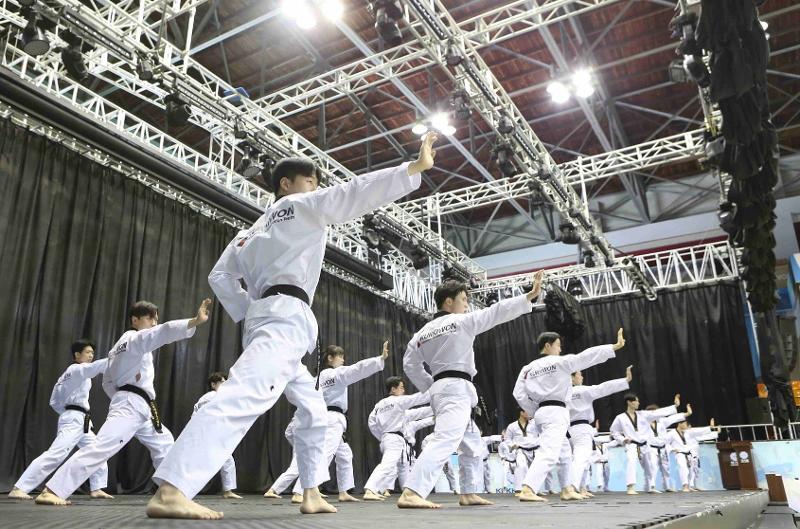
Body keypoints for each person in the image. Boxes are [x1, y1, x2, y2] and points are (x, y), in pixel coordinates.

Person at [147, 133, 439, 519]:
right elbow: (353, 192)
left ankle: (311, 491)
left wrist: (248, 310)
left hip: (268, 316)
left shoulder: (246, 234)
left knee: (314, 412)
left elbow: (219, 277)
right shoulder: (300, 205)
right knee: (242, 394)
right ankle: (173, 488)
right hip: (284, 316)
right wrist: (411, 169)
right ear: (286, 184)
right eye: (311, 181)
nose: (316, 188)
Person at [35, 299, 211, 506]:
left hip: (138, 404)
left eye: (156, 318)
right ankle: (53, 489)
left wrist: (121, 397)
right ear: (135, 320)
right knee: (102, 446)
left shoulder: (116, 350)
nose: (154, 323)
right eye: (150, 318)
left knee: (164, 442)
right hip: (131, 403)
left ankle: (170, 492)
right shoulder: (134, 339)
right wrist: (194, 321)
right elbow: (163, 332)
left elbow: (108, 382)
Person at [399, 270, 544, 509]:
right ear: (449, 301)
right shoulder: (461, 321)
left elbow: (410, 365)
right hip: (455, 388)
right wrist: (528, 297)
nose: (467, 305)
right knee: (446, 438)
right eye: (464, 300)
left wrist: (429, 386)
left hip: (445, 387)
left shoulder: (420, 335)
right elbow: (495, 313)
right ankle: (412, 490)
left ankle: (468, 492)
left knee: (473, 444)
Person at [513, 329, 626, 503]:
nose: (560, 350)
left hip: (542, 411)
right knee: (549, 451)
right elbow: (585, 357)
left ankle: (567, 488)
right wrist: (613, 347)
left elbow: (518, 394)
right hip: (556, 411)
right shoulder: (560, 362)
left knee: (565, 452)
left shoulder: (527, 369)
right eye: (558, 346)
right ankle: (528, 488)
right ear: (548, 345)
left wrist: (534, 410)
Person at [272, 342, 390, 502]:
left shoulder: (316, 379)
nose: (342, 360)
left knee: (345, 455)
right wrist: (379, 359)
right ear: (330, 358)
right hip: (333, 418)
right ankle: (300, 491)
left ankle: (343, 492)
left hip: (321, 416)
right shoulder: (336, 374)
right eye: (339, 356)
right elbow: (356, 369)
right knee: (324, 454)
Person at [9, 340, 111, 500]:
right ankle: (19, 487)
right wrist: (118, 358)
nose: (91, 355)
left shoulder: (69, 374)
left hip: (80, 419)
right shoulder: (77, 369)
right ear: (77, 355)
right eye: (87, 352)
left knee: (97, 451)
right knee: (56, 453)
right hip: (74, 418)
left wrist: (67, 413)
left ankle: (97, 488)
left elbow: (54, 401)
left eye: (92, 352)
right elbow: (96, 367)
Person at [567, 365, 633, 496]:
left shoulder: (563, 393)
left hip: (570, 429)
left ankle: (582, 488)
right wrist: (625, 380)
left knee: (584, 458)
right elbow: (604, 388)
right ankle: (572, 487)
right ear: (572, 377)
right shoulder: (583, 390)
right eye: (579, 374)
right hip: (582, 427)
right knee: (581, 458)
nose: (582, 376)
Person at [363, 376, 431, 500]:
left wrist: (382, 436)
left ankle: (407, 493)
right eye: (401, 388)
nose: (403, 390)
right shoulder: (398, 402)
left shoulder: (379, 405)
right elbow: (418, 398)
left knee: (402, 466)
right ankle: (370, 489)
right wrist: (438, 392)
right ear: (393, 389)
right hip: (394, 438)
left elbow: (371, 423)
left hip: (387, 438)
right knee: (388, 465)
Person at [609, 393, 680, 494]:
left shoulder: (643, 414)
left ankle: (649, 486)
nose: (638, 403)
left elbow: (657, 413)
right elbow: (614, 431)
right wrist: (622, 439)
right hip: (632, 445)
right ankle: (630, 487)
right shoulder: (620, 417)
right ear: (629, 402)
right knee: (631, 461)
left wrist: (675, 407)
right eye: (636, 401)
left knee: (649, 467)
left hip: (644, 445)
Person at [192, 372, 241, 499]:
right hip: (203, 432)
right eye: (222, 383)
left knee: (227, 460)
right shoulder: (211, 396)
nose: (225, 385)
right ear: (213, 384)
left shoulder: (218, 397)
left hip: (211, 432)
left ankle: (228, 491)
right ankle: (179, 488)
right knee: (198, 462)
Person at [647, 402, 691, 492]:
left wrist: (687, 414)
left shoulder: (662, 422)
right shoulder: (644, 424)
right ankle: (651, 487)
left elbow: (673, 418)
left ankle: (667, 486)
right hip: (651, 448)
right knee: (653, 466)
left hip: (662, 448)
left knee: (666, 468)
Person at [667, 418, 719, 491]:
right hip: (680, 453)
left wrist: (710, 427)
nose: (686, 425)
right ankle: (685, 486)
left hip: (690, 454)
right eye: (685, 423)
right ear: (679, 424)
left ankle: (691, 486)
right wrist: (672, 449)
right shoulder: (671, 433)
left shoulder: (688, 432)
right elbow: (665, 442)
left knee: (693, 471)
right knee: (683, 468)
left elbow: (700, 432)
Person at [505, 409, 539, 493]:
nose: (530, 414)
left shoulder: (534, 424)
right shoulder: (512, 426)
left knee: (535, 470)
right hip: (520, 449)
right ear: (521, 412)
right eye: (528, 412)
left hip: (534, 449)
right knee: (521, 466)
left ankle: (532, 490)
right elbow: (507, 439)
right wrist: (512, 445)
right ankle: (519, 489)